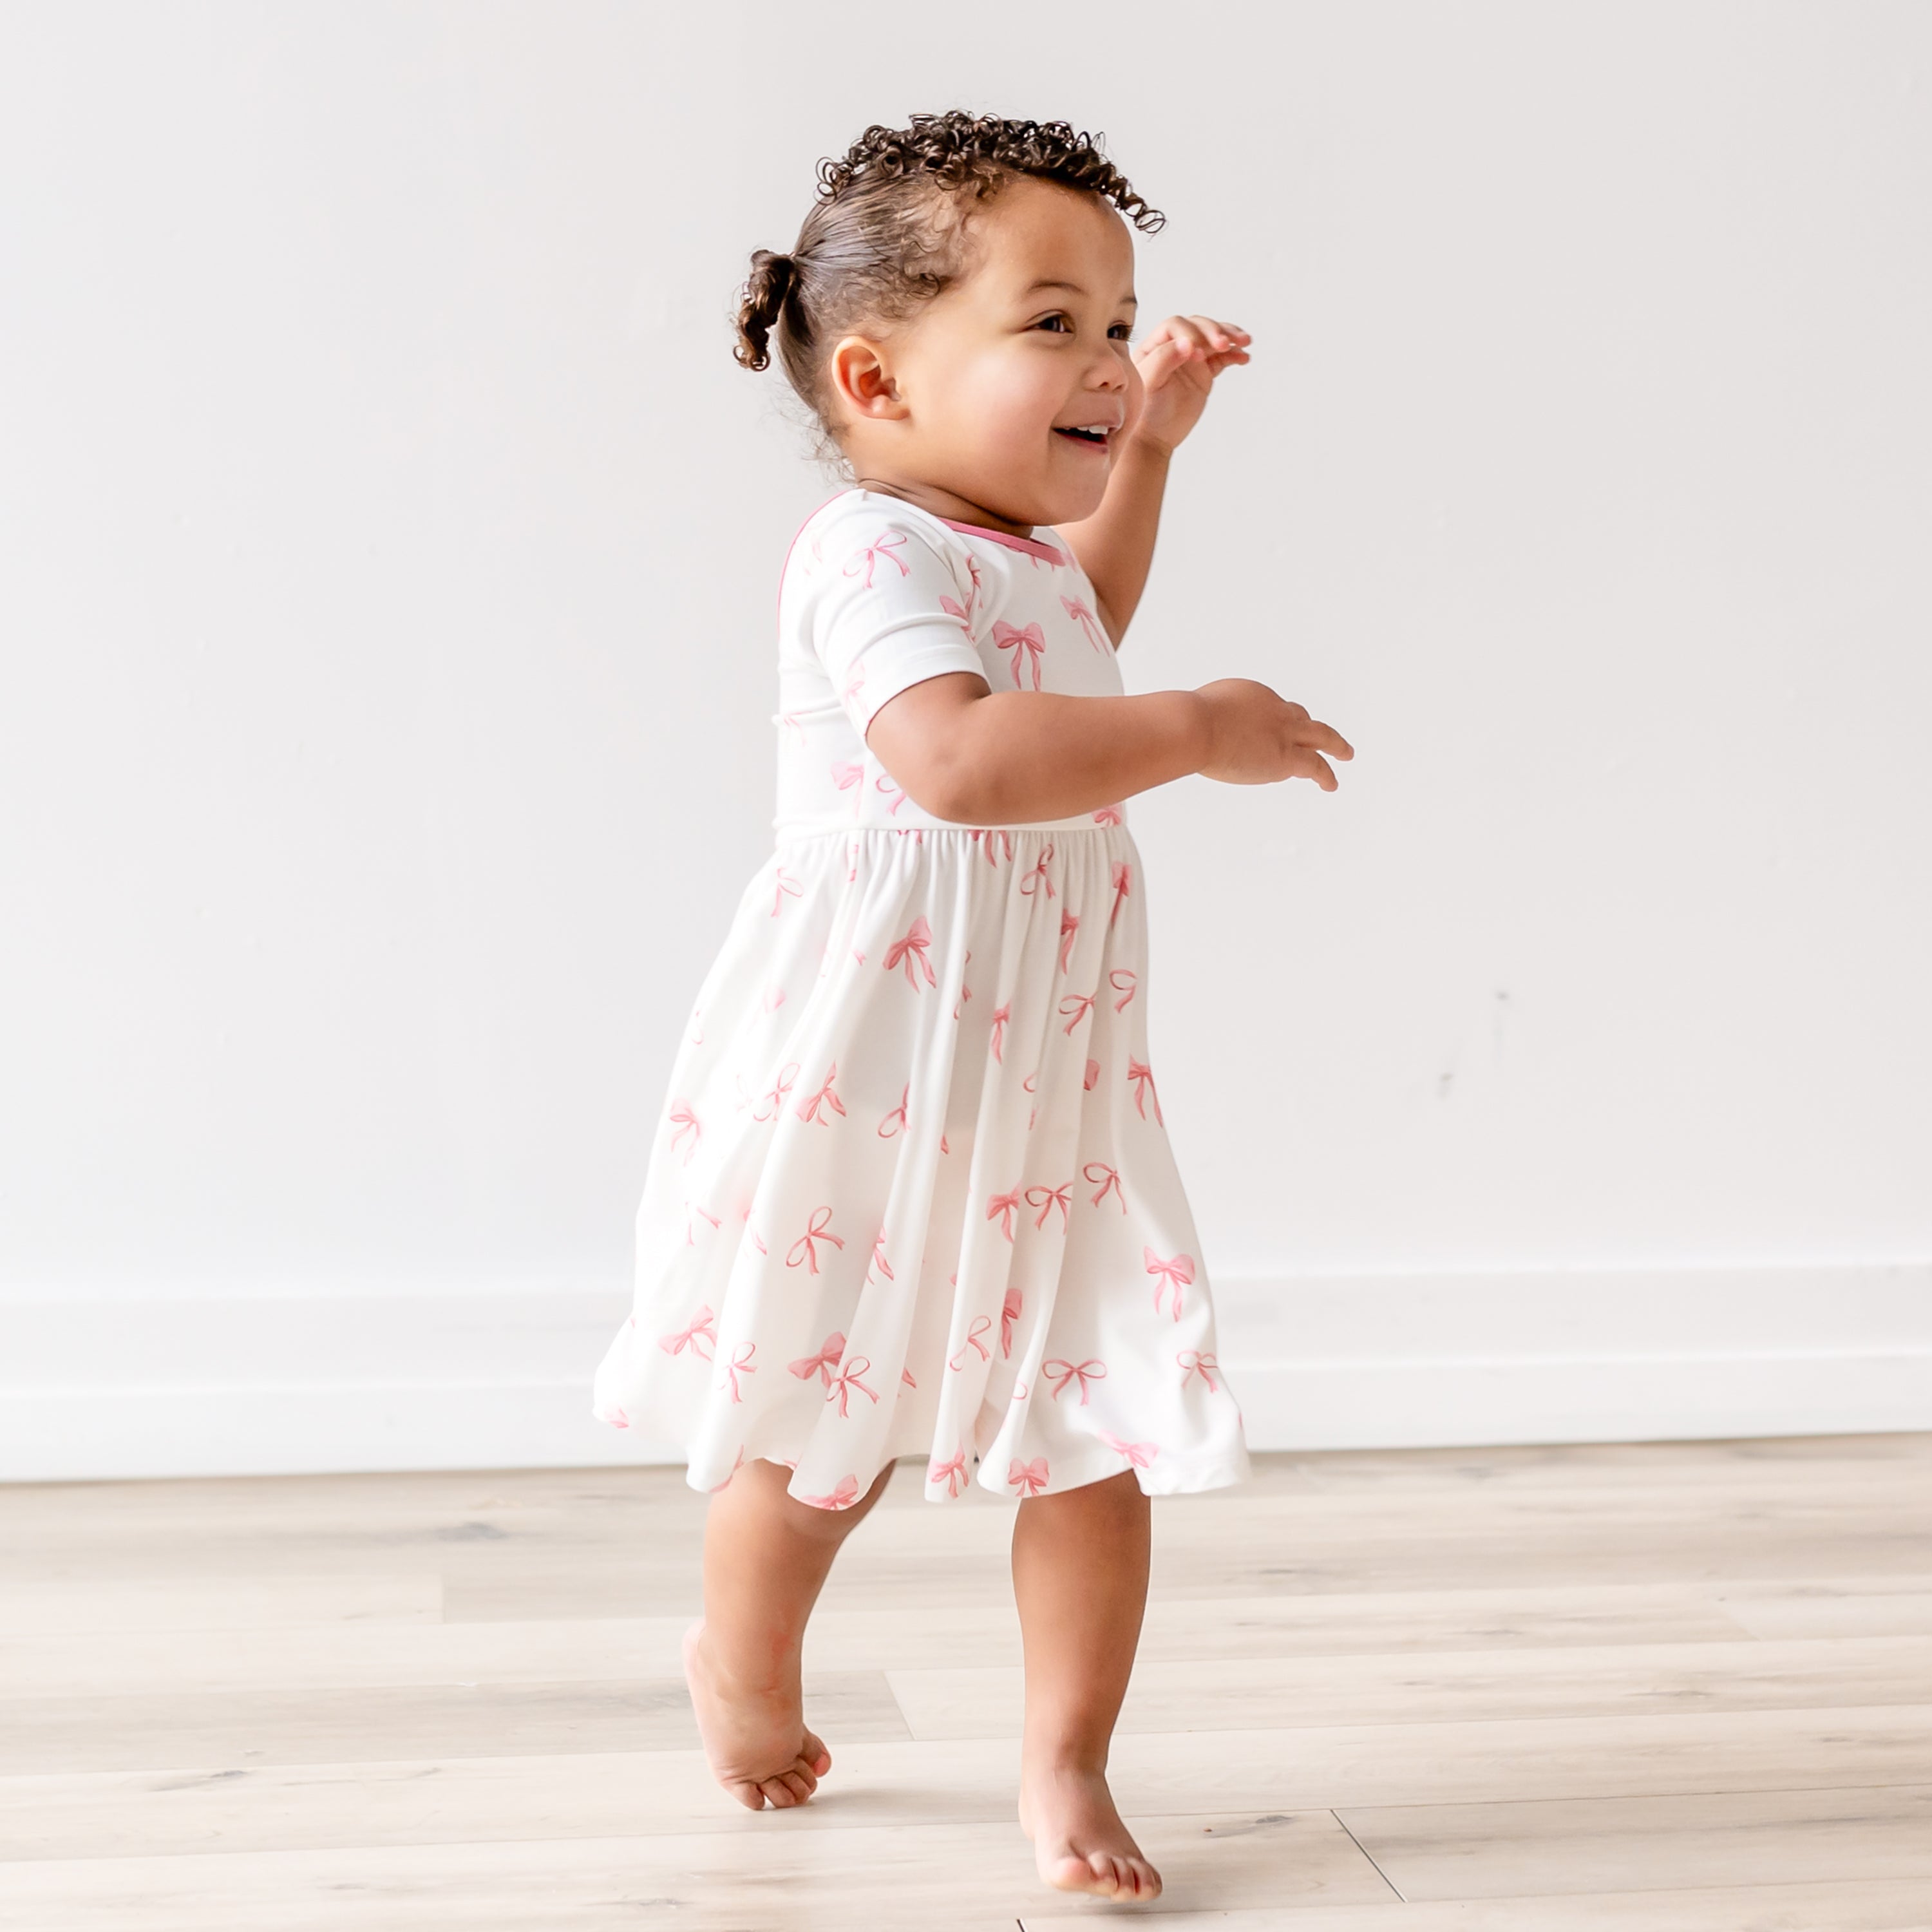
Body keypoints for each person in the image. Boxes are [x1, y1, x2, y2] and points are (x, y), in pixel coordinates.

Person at [591, 111, 1353, 1901]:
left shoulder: (1007, 557)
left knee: (1093, 1426)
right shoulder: (865, 561)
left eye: (1120, 318)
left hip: (1046, 1077)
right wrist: (1196, 726)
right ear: (875, 376)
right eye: (1055, 321)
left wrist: (1146, 455)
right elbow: (956, 758)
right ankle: (746, 1670)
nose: (1106, 355)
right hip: (884, 1068)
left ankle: (1066, 1767)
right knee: (827, 1434)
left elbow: (1073, 620)